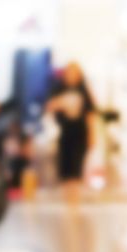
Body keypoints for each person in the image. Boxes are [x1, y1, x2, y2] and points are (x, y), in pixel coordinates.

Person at [46, 62, 97, 205]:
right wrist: (59, 103)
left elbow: (90, 114)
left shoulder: (83, 90)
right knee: (65, 164)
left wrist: (92, 136)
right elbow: (49, 107)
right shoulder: (58, 89)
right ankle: (66, 196)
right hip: (65, 131)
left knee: (77, 164)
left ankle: (75, 197)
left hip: (80, 132)